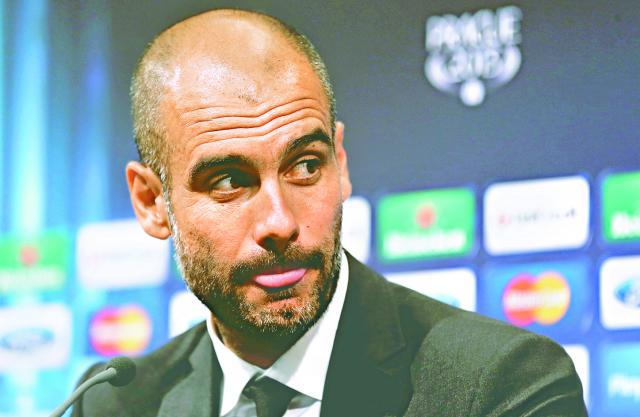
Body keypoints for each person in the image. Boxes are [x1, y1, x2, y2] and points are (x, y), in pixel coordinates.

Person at [72, 8, 588, 417]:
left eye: (304, 166)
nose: (280, 222)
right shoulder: (115, 404)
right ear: (151, 202)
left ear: (339, 164)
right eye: (229, 181)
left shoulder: (502, 386)